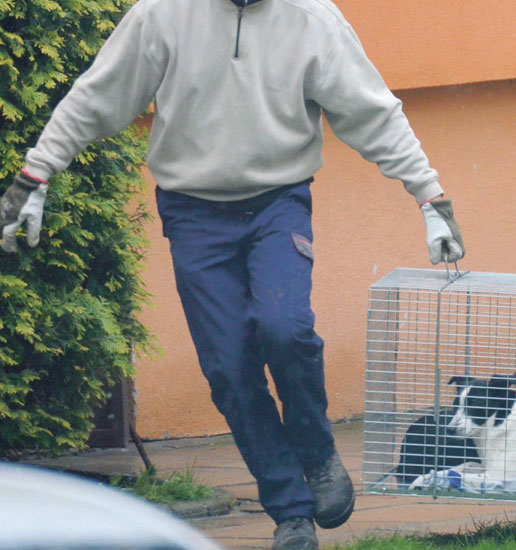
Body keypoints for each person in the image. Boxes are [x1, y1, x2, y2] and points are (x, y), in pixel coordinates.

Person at [0, 0, 464, 549]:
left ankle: (316, 453)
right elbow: (97, 96)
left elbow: (372, 112)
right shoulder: (162, 14)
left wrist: (429, 197)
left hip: (278, 203)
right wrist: (36, 176)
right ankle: (291, 512)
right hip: (193, 211)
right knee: (229, 366)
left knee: (284, 327)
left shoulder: (311, 17)